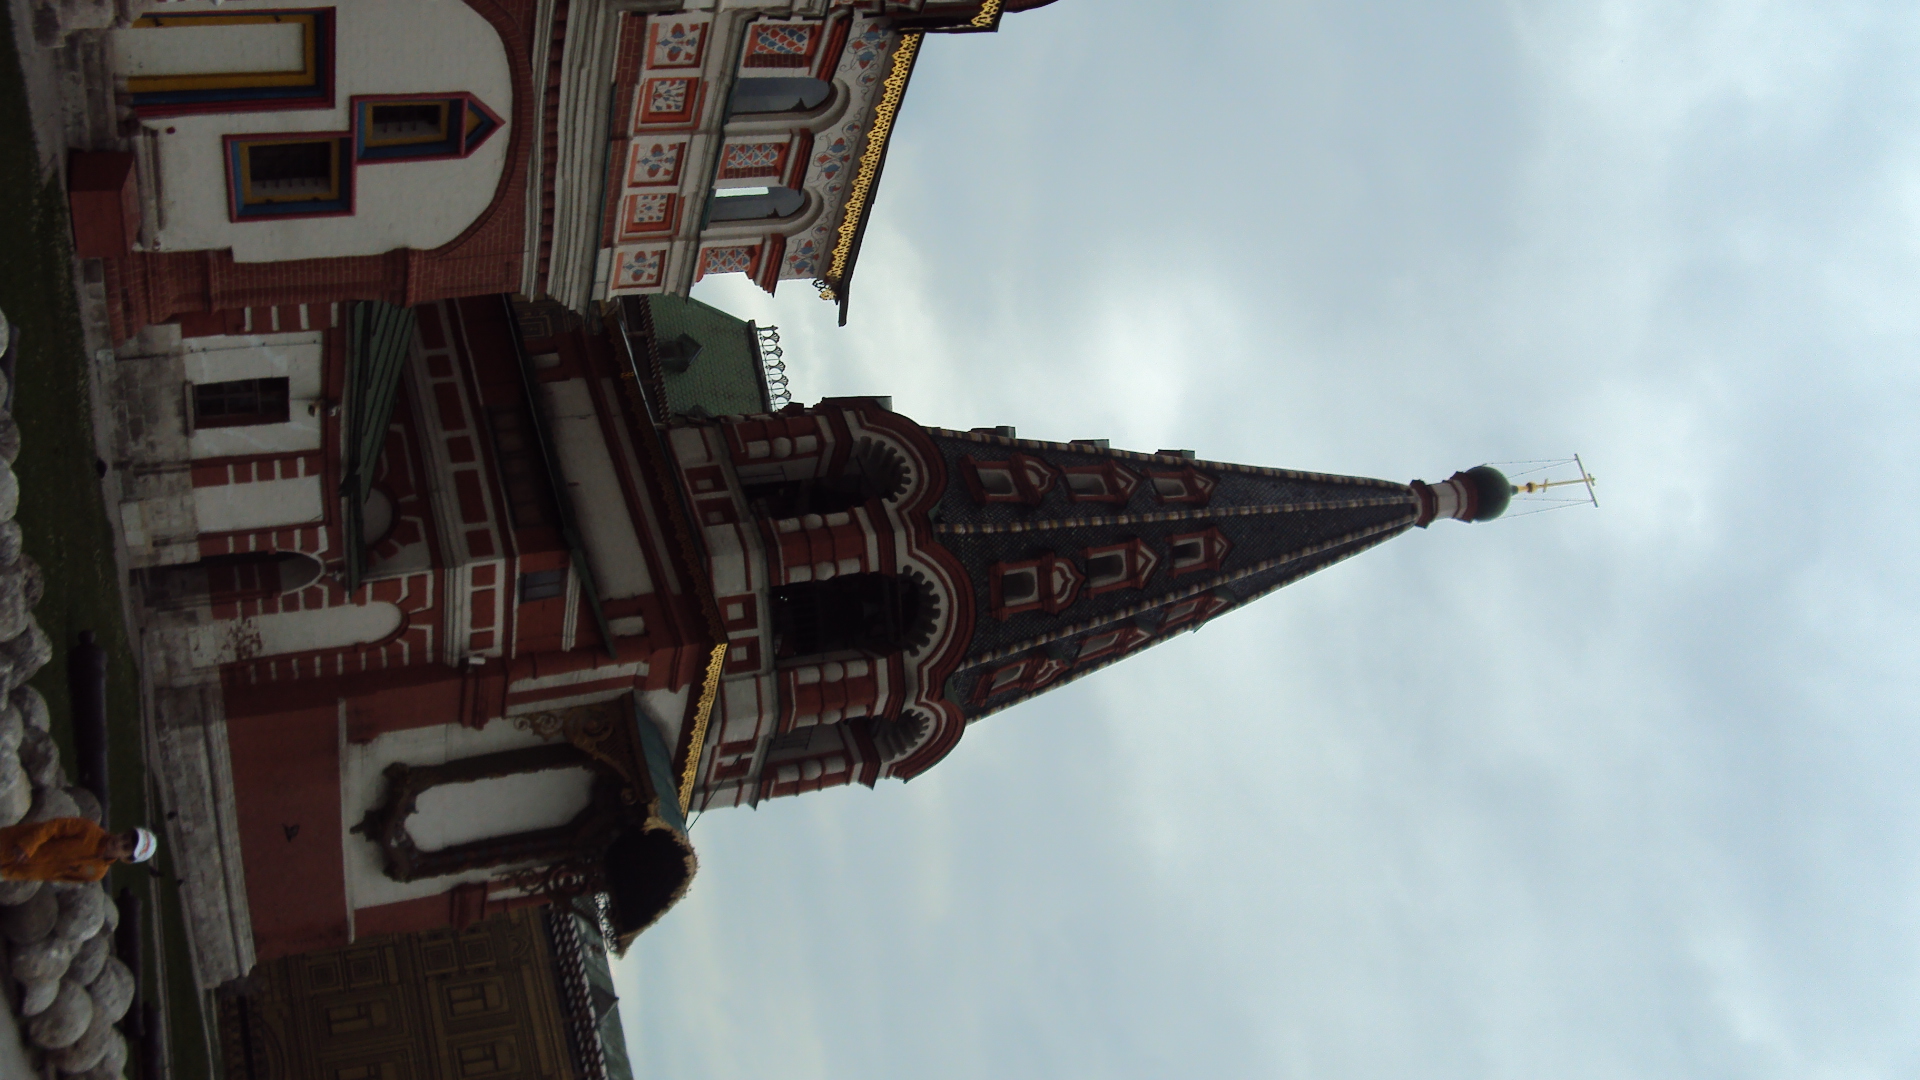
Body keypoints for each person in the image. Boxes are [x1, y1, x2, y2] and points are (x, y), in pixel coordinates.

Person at [0, 818, 156, 882]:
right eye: (124, 836)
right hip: (10, 846)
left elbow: (60, 877)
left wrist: (28, 874)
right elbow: (52, 827)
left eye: (125, 847)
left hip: (12, 872)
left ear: (126, 859)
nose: (119, 841)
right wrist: (28, 845)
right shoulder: (88, 830)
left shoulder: (97, 873)